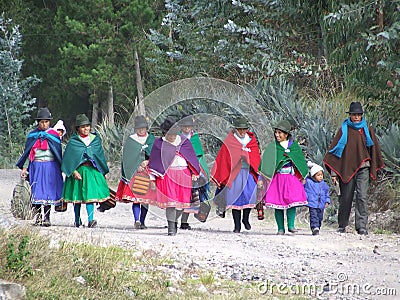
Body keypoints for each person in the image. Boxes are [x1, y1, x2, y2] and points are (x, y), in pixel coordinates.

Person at [323, 102, 384, 235]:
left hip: (364, 168)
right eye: (353, 114)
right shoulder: (344, 130)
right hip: (347, 168)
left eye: (358, 115)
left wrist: (374, 167)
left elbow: (373, 150)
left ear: (361, 115)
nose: (356, 117)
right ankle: (342, 224)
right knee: (346, 197)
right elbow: (335, 153)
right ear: (350, 115)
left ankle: (361, 226)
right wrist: (334, 173)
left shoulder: (367, 129)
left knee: (362, 196)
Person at [148, 116, 200, 236]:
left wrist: (193, 173)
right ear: (164, 132)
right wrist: (152, 180)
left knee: (182, 203)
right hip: (167, 176)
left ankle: (174, 220)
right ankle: (171, 228)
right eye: (169, 134)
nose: (171, 136)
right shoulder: (159, 144)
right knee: (170, 203)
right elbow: (154, 163)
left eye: (173, 133)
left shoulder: (184, 142)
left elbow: (191, 158)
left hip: (184, 175)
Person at [211, 116, 261, 233]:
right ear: (235, 129)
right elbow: (224, 159)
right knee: (236, 200)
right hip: (235, 175)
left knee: (249, 197)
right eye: (239, 129)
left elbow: (255, 158)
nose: (242, 132)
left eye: (244, 129)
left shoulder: (251, 141)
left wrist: (246, 156)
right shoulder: (230, 141)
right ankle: (237, 225)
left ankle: (245, 219)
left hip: (248, 173)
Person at [258, 119, 308, 235]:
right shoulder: (272, 147)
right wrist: (262, 179)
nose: (277, 135)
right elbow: (266, 163)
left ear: (286, 134)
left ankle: (291, 225)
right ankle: (280, 228)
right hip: (278, 179)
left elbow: (300, 161)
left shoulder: (294, 146)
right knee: (278, 204)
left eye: (280, 133)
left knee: (292, 201)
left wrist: (302, 176)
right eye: (276, 132)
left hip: (291, 178)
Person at [16, 107, 63, 226]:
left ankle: (47, 218)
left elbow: (58, 153)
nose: (44, 124)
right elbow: (27, 153)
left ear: (49, 122)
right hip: (36, 166)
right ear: (38, 122)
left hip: (50, 166)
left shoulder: (54, 135)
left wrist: (62, 167)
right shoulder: (32, 135)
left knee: (47, 192)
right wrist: (25, 168)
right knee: (36, 192)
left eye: (46, 121)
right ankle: (38, 217)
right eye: (42, 121)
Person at [61, 114, 110, 228]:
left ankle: (91, 220)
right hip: (78, 171)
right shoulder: (74, 142)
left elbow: (99, 156)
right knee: (76, 197)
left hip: (91, 171)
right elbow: (68, 159)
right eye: (83, 127)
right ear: (78, 128)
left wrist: (102, 171)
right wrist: (73, 172)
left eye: (87, 126)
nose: (86, 129)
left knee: (90, 196)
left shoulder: (95, 140)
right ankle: (77, 220)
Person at [115, 115, 155, 229]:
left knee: (145, 200)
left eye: (143, 128)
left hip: (148, 173)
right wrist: (136, 166)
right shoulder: (131, 140)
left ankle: (142, 221)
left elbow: (156, 155)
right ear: (135, 129)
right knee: (136, 199)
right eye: (139, 128)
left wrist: (147, 162)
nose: (141, 130)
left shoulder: (151, 139)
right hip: (135, 173)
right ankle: (136, 220)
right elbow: (127, 158)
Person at [178, 115, 210, 230]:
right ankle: (173, 220)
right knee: (180, 196)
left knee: (190, 197)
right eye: (185, 126)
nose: (187, 128)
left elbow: (199, 157)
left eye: (189, 126)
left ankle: (183, 221)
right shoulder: (178, 138)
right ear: (181, 127)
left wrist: (197, 172)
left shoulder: (195, 138)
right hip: (181, 169)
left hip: (194, 172)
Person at [304, 161, 330, 235]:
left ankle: (317, 227)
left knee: (320, 217)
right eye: (318, 175)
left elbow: (326, 193)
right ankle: (314, 227)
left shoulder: (324, 184)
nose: (321, 177)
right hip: (312, 203)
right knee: (313, 216)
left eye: (321, 175)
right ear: (313, 175)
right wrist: (306, 198)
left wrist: (327, 201)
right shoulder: (308, 182)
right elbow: (304, 190)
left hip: (321, 204)